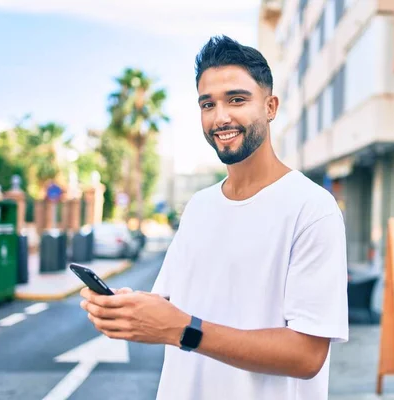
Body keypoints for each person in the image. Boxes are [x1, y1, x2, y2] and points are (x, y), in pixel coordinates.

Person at [80, 35, 349, 400]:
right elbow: (173, 307)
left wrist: (184, 331)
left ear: (270, 106)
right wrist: (127, 308)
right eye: (208, 104)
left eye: (237, 99)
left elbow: (306, 355)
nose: (220, 117)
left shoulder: (312, 208)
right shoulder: (199, 207)